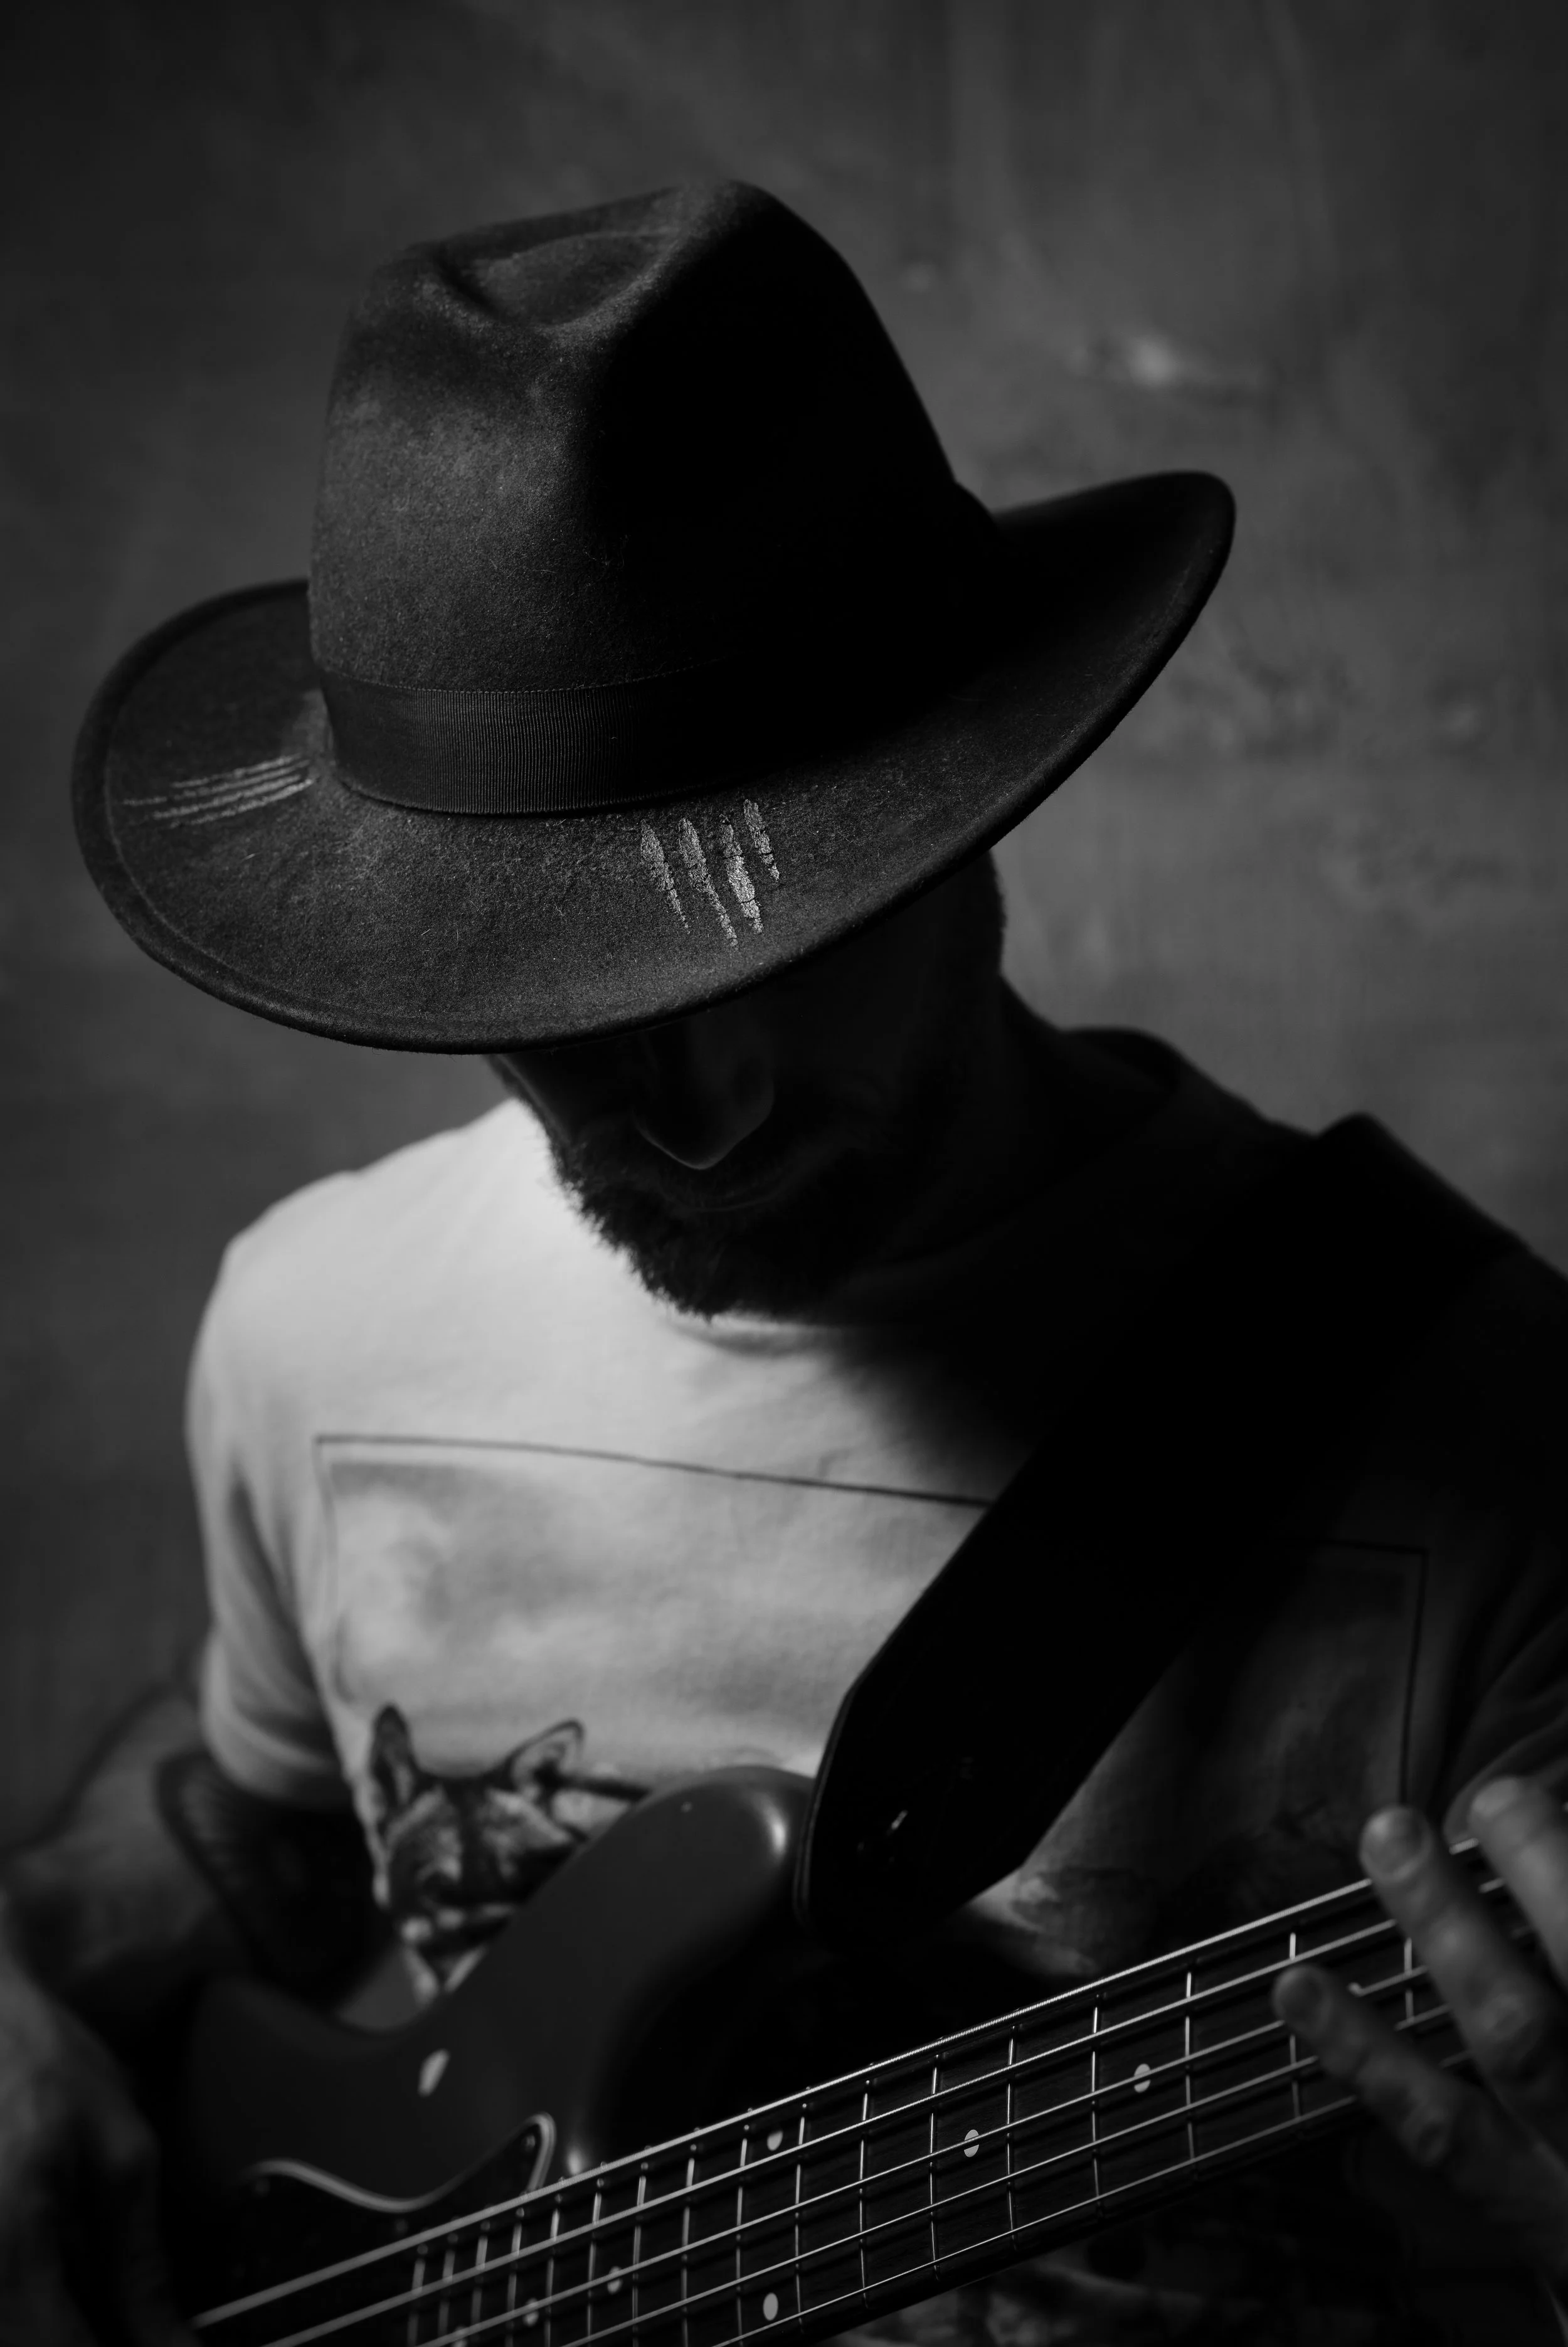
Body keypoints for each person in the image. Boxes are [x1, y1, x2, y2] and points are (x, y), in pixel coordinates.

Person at [10, 181, 1568, 2344]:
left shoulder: (1487, 1420)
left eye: (793, 940)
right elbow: (258, 1813)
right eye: (568, 990)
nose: (704, 1109)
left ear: (980, 788)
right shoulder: (306, 1321)